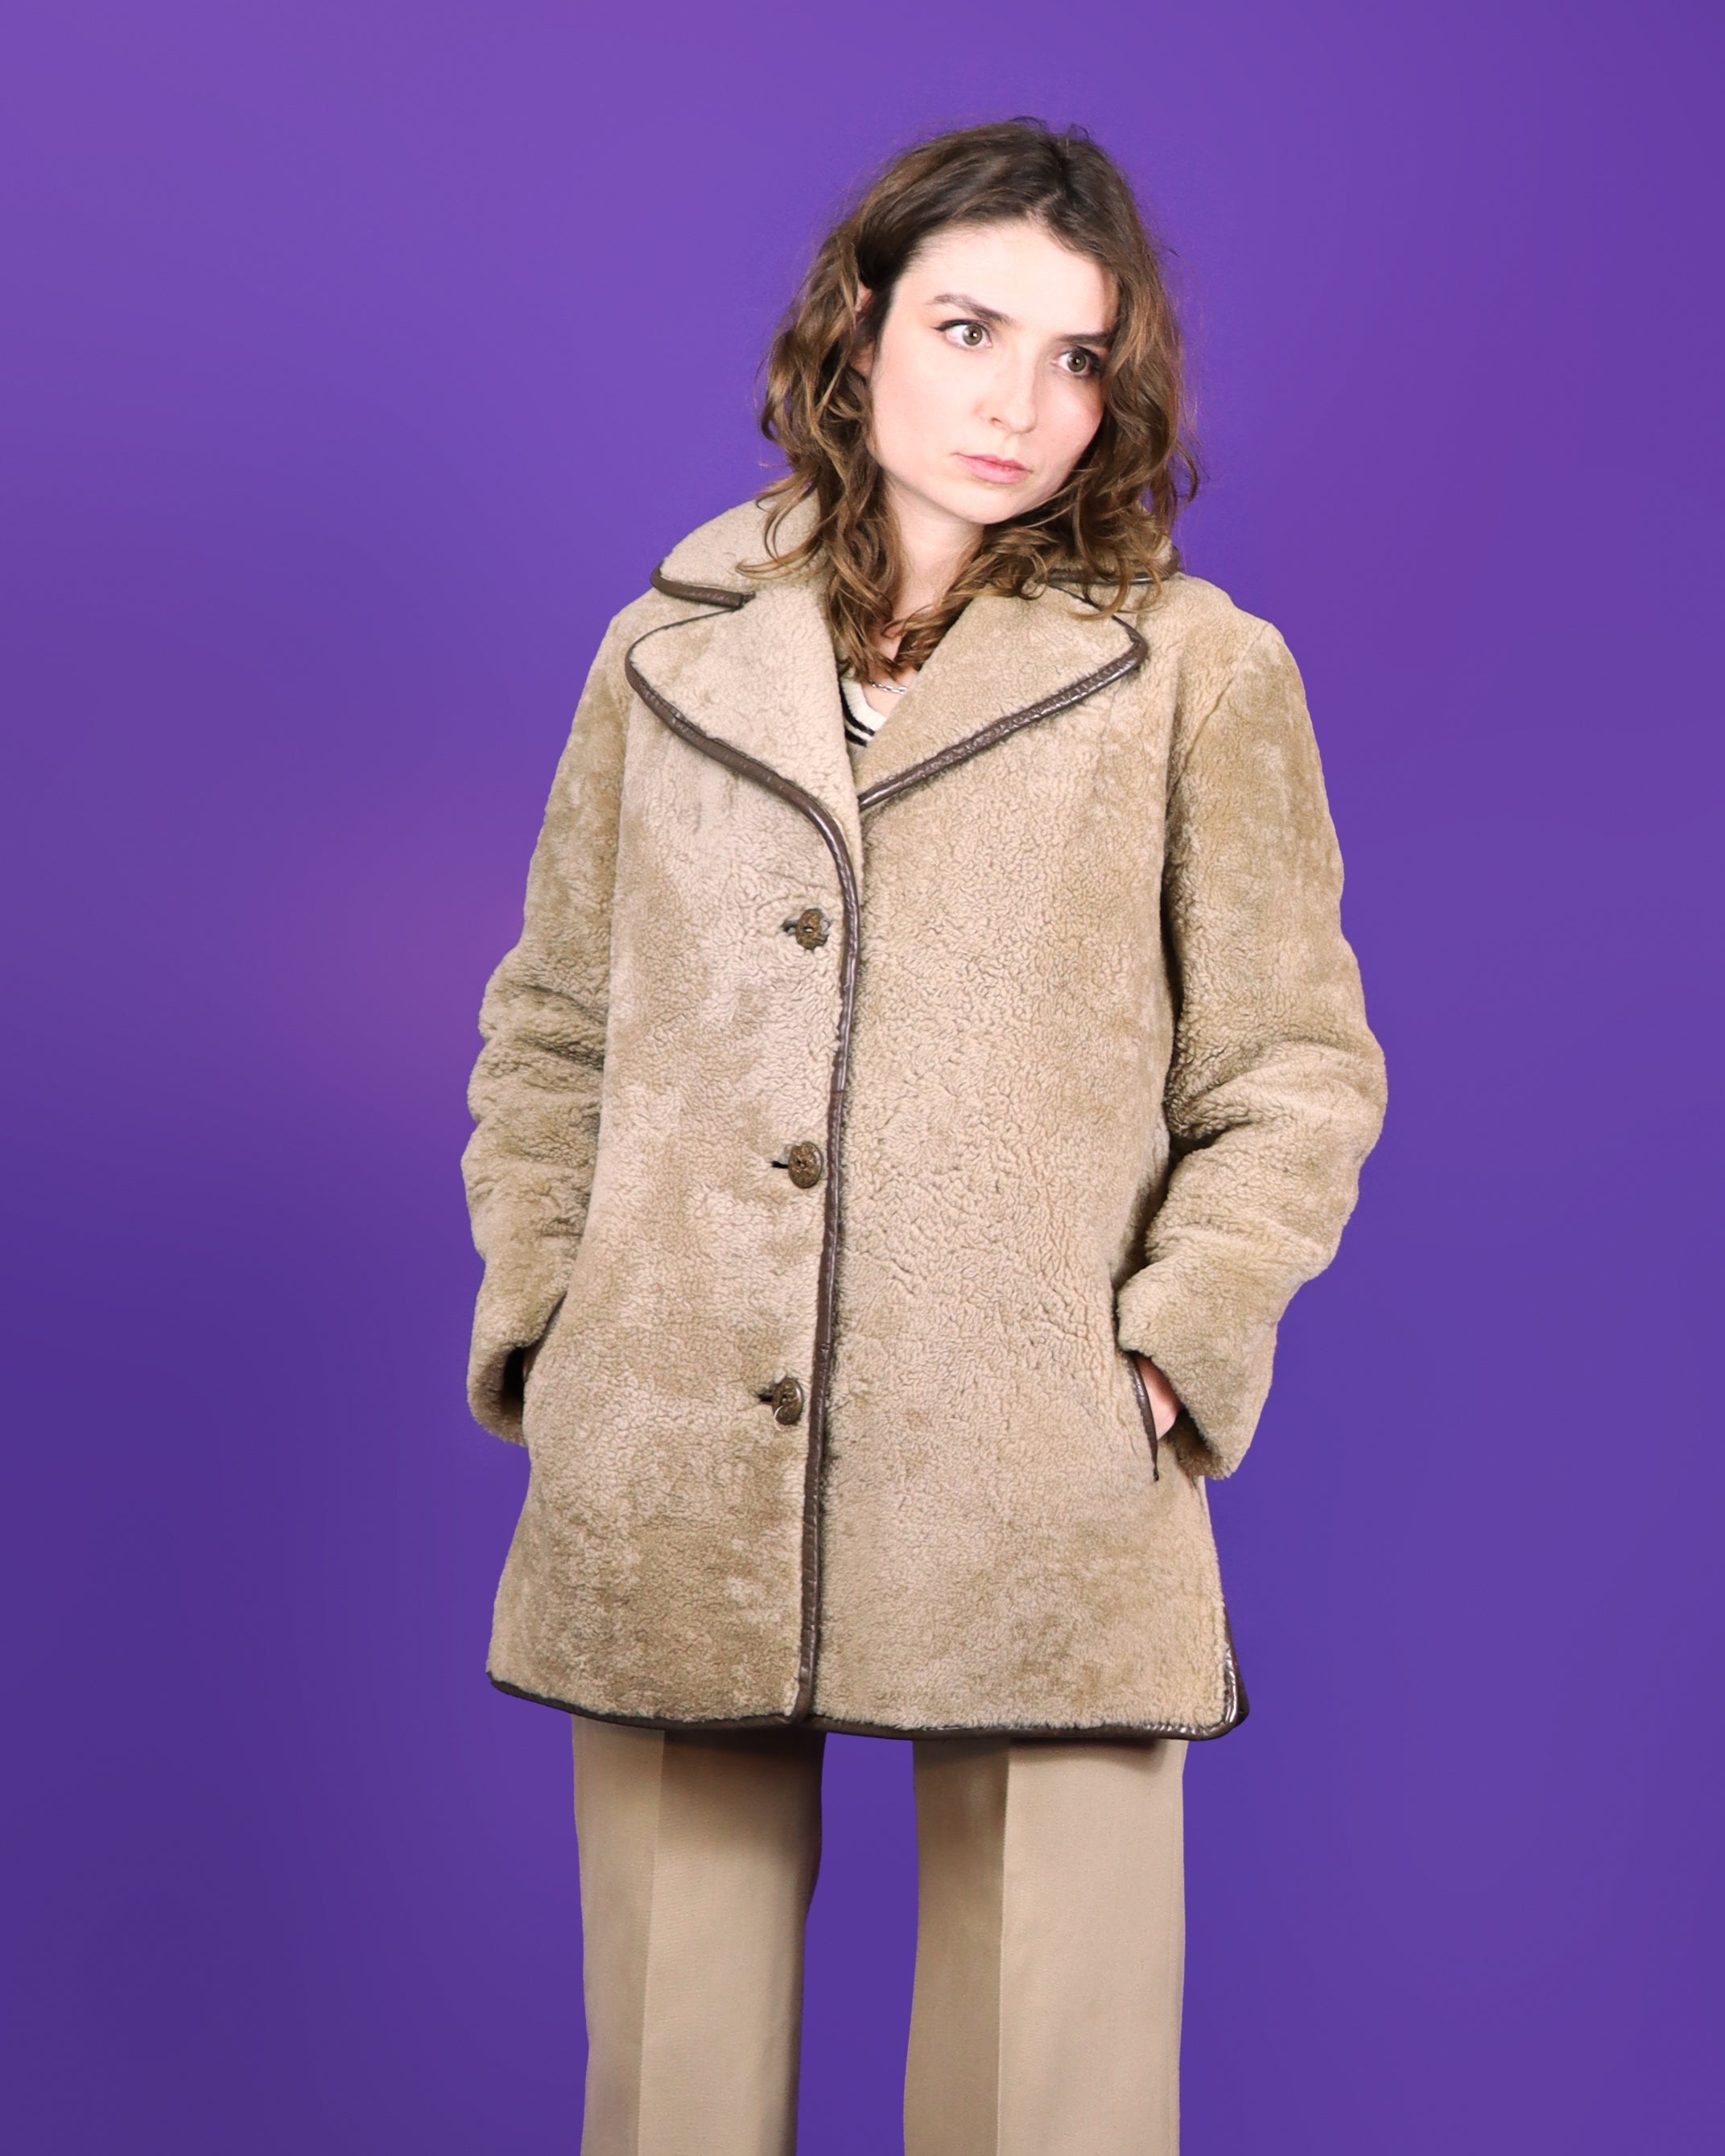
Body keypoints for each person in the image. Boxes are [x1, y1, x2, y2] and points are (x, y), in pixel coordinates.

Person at [460, 118, 1386, 2156]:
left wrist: (1175, 1343)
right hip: (678, 1439)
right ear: (860, 326)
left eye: (1076, 358)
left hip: (1040, 1460)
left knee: (1047, 2084)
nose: (1016, 401)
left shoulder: (1195, 673)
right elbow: (553, 1021)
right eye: (969, 329)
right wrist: (553, 1309)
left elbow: (1293, 1067)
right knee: (673, 2081)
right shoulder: (668, 646)